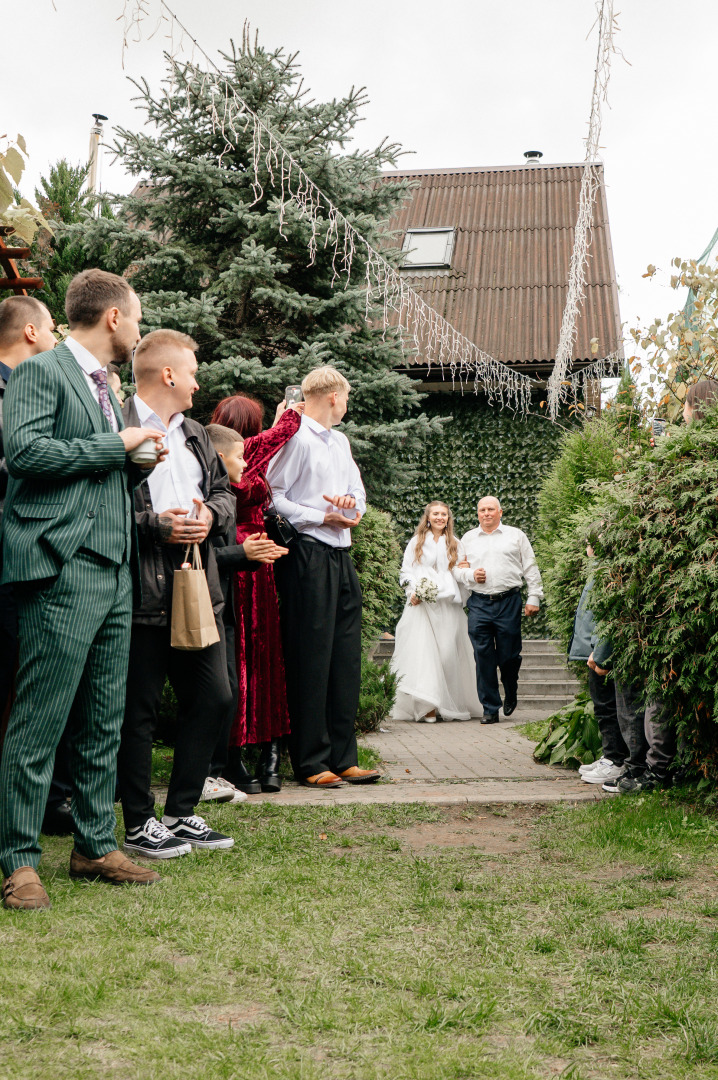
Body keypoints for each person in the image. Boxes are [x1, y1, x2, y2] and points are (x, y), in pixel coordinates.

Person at [0, 269, 168, 910]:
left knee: (104, 717)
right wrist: (116, 444)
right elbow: (24, 455)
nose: (139, 328)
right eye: (138, 315)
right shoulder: (42, 371)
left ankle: (94, 846)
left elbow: (97, 469)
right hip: (62, 565)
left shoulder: (107, 386)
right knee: (39, 720)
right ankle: (18, 861)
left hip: (115, 567)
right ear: (114, 317)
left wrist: (136, 462)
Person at [117, 329, 237, 859]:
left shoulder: (195, 432)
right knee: (138, 712)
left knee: (214, 697)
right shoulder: (115, 423)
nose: (196, 383)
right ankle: (139, 822)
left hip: (196, 580)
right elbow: (102, 507)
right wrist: (155, 526)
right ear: (168, 374)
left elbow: (224, 493)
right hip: (139, 586)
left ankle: (181, 812)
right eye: (192, 372)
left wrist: (210, 515)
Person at [267, 365, 380, 787]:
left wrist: (351, 506)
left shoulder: (341, 441)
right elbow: (272, 497)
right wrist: (321, 515)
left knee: (344, 659)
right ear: (334, 396)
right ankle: (311, 762)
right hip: (307, 554)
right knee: (311, 659)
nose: (347, 404)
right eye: (346, 397)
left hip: (340, 555)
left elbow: (358, 494)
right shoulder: (294, 438)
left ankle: (343, 757)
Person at [209, 393, 302, 793]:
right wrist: (289, 411)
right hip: (244, 557)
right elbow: (288, 428)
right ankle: (242, 756)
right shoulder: (242, 451)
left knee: (251, 657)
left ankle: (248, 752)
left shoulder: (230, 453)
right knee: (247, 657)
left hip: (254, 559)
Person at [454, 496, 543, 724]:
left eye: (491, 509)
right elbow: (456, 570)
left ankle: (511, 688)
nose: (486, 513)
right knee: (482, 656)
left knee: (509, 656)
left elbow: (530, 566)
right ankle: (490, 708)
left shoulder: (516, 535)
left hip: (509, 601)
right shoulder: (468, 539)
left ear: (500, 512)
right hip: (479, 603)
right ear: (477, 513)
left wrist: (534, 596)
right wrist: (470, 574)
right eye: (482, 510)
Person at [391, 501, 481, 722]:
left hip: (448, 605)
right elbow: (406, 571)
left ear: (448, 518)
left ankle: (445, 703)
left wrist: (470, 575)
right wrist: (412, 592)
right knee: (424, 654)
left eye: (444, 514)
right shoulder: (416, 542)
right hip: (422, 606)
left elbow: (459, 573)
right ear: (428, 517)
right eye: (436, 514)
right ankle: (427, 706)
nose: (440, 517)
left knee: (447, 655)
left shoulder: (455, 543)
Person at [567, 539, 629, 786]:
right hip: (594, 649)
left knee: (608, 707)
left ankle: (615, 760)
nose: (586, 546)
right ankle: (609, 756)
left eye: (589, 542)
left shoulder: (608, 572)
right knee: (603, 707)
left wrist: (599, 650)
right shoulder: (598, 570)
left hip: (601, 651)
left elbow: (606, 616)